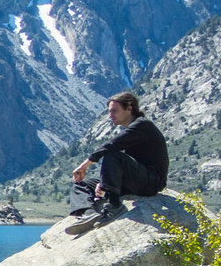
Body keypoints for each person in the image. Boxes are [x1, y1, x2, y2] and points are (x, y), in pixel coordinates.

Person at [67, 92, 169, 232]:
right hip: (134, 180)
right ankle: (88, 215)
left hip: (151, 182)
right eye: (109, 111)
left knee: (112, 155)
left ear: (130, 108)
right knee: (81, 185)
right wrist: (103, 183)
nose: (110, 115)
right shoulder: (131, 129)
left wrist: (84, 165)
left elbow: (112, 144)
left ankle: (114, 205)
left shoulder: (143, 125)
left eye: (114, 111)